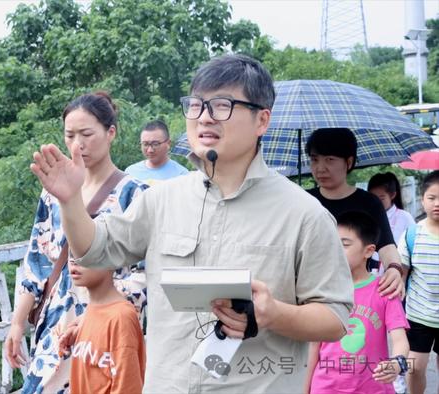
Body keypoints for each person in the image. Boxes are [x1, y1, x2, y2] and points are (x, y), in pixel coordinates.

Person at [30, 54, 354, 393]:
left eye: (222, 106)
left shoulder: (304, 214)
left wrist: (275, 314)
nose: (204, 118)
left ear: (262, 120)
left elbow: (335, 317)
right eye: (196, 105)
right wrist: (70, 202)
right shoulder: (161, 199)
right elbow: (95, 250)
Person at [4, 92, 147, 394]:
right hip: (55, 323)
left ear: (111, 133)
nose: (77, 144)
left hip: (103, 329)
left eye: (87, 134)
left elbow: (144, 275)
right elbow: (38, 259)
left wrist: (99, 316)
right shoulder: (53, 191)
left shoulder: (136, 195)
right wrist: (17, 322)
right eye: (70, 135)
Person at [306, 210, 410, 394]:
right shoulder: (323, 289)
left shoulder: (384, 289)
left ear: (369, 251)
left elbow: (400, 340)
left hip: (373, 387)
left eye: (344, 245)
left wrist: (397, 363)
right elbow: (313, 346)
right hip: (325, 387)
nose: (335, 251)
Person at [305, 128, 406, 299]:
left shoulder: (369, 202)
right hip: (311, 292)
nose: (320, 168)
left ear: (349, 162)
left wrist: (394, 269)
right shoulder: (304, 200)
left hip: (356, 294)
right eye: (314, 160)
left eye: (329, 159)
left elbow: (387, 246)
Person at [63, 259, 146, 393]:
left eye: (84, 251)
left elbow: (128, 388)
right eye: (72, 252)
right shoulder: (91, 310)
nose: (73, 260)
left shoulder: (121, 318)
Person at [398, 170, 439, 394]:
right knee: (415, 368)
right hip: (418, 314)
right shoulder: (412, 234)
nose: (437, 204)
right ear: (422, 199)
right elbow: (401, 272)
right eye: (432, 198)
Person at [125, 120, 189, 184]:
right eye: (145, 144)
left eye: (155, 144)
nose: (150, 150)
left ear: (168, 144)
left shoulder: (182, 175)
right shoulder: (130, 173)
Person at [368, 172, 415, 242]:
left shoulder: (405, 217)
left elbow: (414, 242)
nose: (376, 202)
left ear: (392, 195)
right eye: (372, 198)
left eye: (381, 198)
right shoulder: (367, 217)